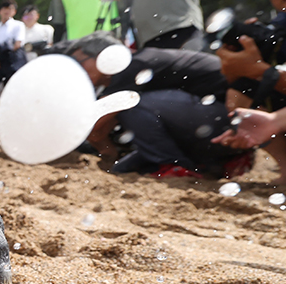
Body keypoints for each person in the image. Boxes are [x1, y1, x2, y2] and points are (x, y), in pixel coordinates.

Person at [68, 32, 250, 177]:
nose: (76, 70)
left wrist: (103, 148)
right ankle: (218, 162)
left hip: (227, 121)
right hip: (215, 124)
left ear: (103, 56)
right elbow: (99, 130)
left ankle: (173, 166)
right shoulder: (133, 65)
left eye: (79, 62)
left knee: (132, 104)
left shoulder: (128, 66)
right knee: (121, 170)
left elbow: (94, 125)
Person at [216, 0, 286, 183]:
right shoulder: (282, 25)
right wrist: (235, 63)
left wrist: (260, 71)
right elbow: (236, 79)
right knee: (240, 90)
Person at [0, 0, 26, 84]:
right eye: (4, 8)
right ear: (0, 11)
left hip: (13, 60)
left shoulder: (18, 25)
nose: (7, 11)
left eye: (10, 8)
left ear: (14, 11)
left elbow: (18, 43)